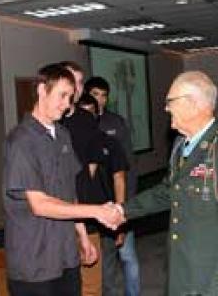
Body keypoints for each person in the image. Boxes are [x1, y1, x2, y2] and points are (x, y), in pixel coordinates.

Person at [115, 71, 218, 296]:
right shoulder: (182, 147)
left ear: (192, 103)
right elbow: (168, 192)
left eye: (170, 101)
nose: (166, 108)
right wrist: (122, 210)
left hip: (212, 278)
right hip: (182, 272)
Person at [3, 63, 121, 296]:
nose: (67, 104)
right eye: (62, 95)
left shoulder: (63, 135)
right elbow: (40, 204)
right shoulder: (21, 142)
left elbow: (70, 193)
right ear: (41, 90)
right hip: (34, 261)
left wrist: (83, 238)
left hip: (66, 256)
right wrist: (97, 211)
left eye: (70, 96)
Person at [85, 76, 140, 296]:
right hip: (94, 207)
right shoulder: (81, 125)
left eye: (103, 95)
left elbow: (128, 168)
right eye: (95, 95)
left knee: (127, 256)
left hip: (120, 202)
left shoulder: (116, 123)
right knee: (102, 262)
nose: (99, 100)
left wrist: (127, 205)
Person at [59, 61, 107, 296]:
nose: (78, 88)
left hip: (86, 212)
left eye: (80, 82)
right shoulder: (51, 122)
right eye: (72, 81)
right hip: (57, 216)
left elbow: (91, 168)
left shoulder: (86, 120)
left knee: (91, 285)